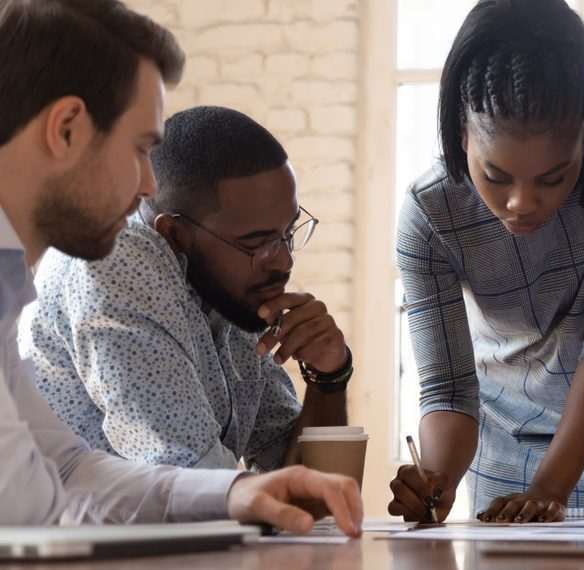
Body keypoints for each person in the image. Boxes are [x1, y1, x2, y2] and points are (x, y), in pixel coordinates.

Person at [0, 0, 362, 534]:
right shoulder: (126, 257)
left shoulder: (8, 289)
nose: (149, 185)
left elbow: (65, 470)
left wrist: (238, 490)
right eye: (141, 148)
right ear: (69, 128)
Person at [389, 0, 584, 523]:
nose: (522, 203)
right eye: (496, 176)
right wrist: (436, 483)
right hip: (506, 445)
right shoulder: (428, 214)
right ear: (461, 135)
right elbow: (448, 390)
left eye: (553, 178)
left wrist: (550, 487)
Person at [20, 105, 353, 471]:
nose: (284, 262)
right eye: (258, 243)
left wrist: (329, 375)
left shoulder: (231, 292)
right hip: (54, 524)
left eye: (288, 232)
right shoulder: (113, 261)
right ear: (174, 234)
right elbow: (198, 488)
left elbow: (313, 493)